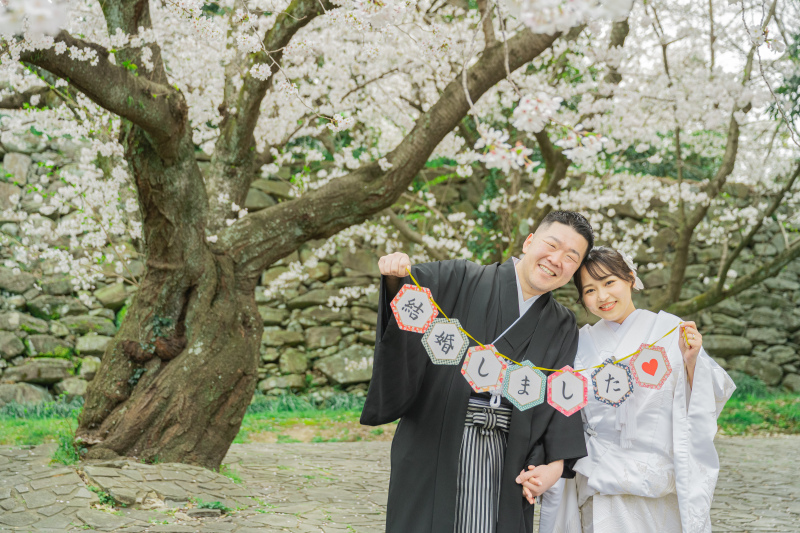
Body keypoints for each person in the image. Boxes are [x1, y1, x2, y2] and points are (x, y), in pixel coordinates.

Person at [360, 210, 594, 533]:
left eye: (571, 257)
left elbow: (561, 398)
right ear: (529, 242)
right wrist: (394, 276)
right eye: (551, 245)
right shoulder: (460, 277)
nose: (556, 260)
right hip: (437, 438)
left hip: (507, 454)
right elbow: (407, 291)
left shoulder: (562, 323)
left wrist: (553, 464)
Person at [531, 247, 736, 533]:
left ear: (630, 278)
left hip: (656, 473)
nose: (602, 296)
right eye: (590, 290)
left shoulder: (667, 329)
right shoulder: (580, 343)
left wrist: (691, 363)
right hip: (599, 473)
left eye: (609, 282)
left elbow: (709, 395)